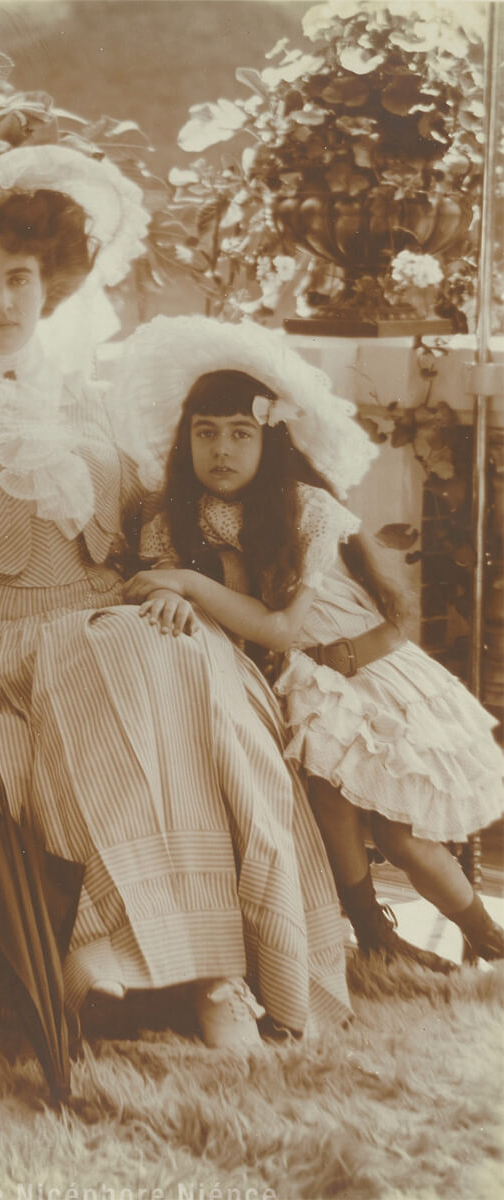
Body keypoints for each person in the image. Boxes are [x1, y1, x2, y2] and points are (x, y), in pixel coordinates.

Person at [0, 143, 352, 1070]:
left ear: (49, 287)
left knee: (190, 668)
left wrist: (177, 589)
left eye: (20, 278)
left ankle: (209, 967)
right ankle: (151, 953)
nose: (2, 300)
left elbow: (151, 523)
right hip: (1, 638)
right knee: (124, 656)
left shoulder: (90, 410)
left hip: (119, 618)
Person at [118, 315, 504, 968]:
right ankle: (371, 931)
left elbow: (281, 628)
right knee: (328, 805)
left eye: (241, 434)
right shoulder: (172, 520)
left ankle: (484, 934)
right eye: (204, 433)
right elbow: (158, 590)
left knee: (401, 835)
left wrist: (182, 579)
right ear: (184, 440)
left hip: (375, 677)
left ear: (271, 442)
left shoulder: (305, 509)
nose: (221, 450)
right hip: (311, 686)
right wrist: (167, 590)